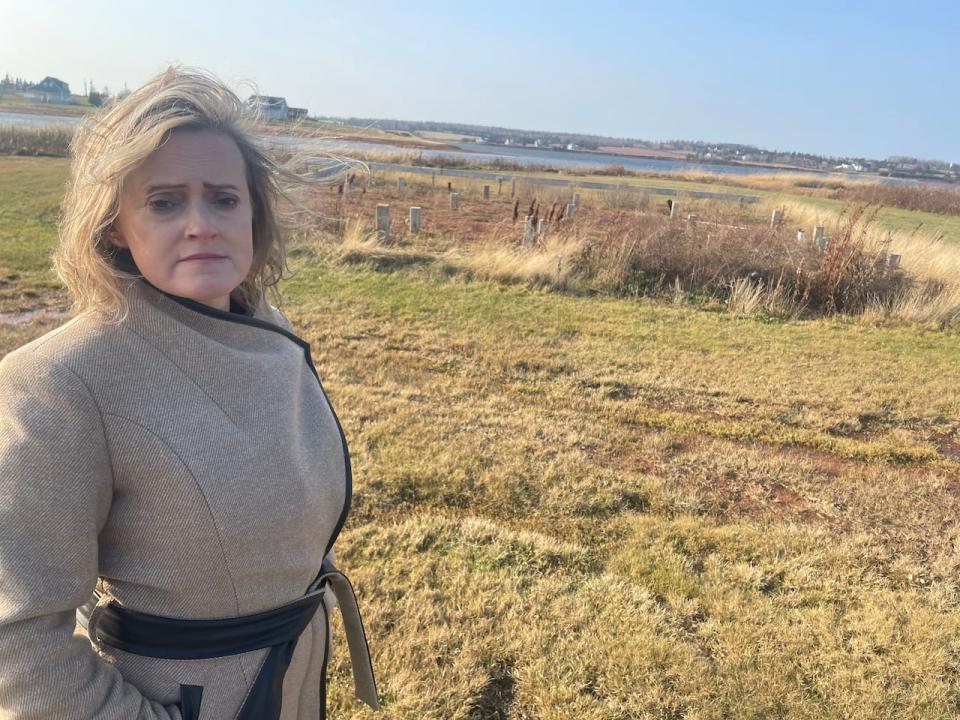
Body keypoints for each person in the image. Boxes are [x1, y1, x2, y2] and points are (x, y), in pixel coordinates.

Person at [0, 66, 379, 719]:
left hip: (293, 686)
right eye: (166, 201)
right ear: (116, 225)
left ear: (253, 213)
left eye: (224, 199)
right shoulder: (61, 382)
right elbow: (19, 641)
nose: (202, 223)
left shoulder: (267, 329)